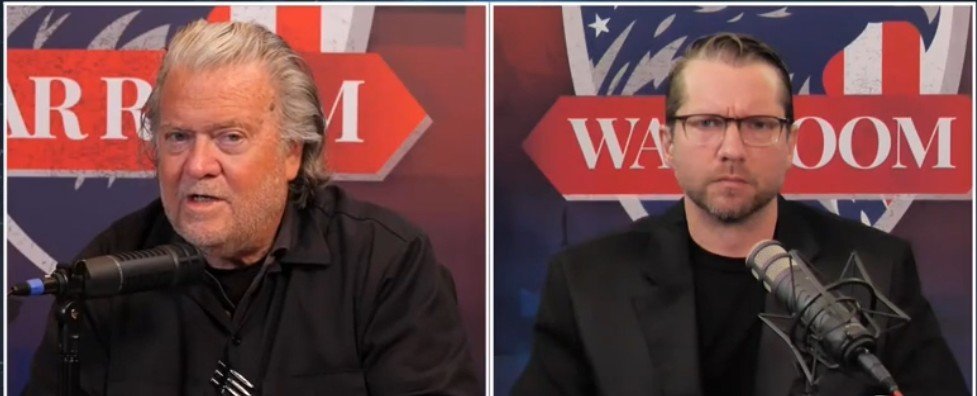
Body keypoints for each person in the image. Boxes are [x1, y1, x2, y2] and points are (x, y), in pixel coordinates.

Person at [25, 20, 478, 395]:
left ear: (291, 153)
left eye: (230, 138)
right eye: (178, 137)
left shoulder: (385, 265)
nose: (198, 165)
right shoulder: (108, 273)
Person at [512, 33, 967, 396]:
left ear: (791, 144)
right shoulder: (589, 282)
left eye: (759, 125)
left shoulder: (879, 270)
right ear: (667, 144)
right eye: (707, 123)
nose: (732, 150)